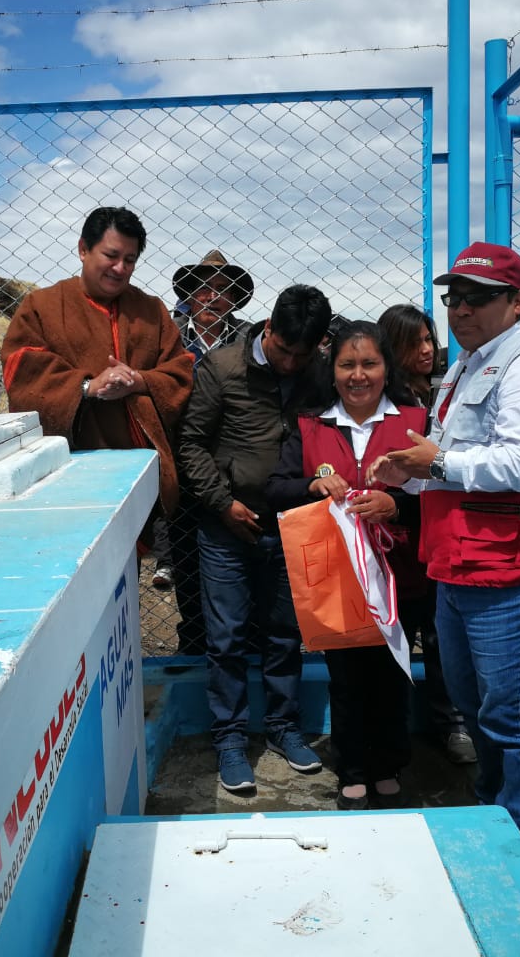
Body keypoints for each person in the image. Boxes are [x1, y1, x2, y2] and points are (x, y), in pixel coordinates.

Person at [368, 242, 520, 878]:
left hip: (509, 572)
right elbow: (453, 459)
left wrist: (438, 463)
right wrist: (408, 472)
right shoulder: (468, 367)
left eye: (479, 298)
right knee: (474, 701)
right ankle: (496, 808)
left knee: (509, 714)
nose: (462, 309)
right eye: (455, 297)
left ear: (517, 302)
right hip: (459, 565)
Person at [178, 284, 333, 792]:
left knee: (285, 635)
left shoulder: (318, 371)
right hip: (227, 529)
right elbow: (193, 445)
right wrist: (223, 504)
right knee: (226, 638)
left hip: (291, 525)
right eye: (284, 350)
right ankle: (229, 738)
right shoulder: (222, 368)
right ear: (268, 329)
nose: (290, 362)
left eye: (301, 354)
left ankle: (284, 729)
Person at [267, 320, 426, 809]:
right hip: (336, 576)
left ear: (387, 367)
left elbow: (442, 497)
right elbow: (275, 486)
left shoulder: (417, 421)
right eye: (347, 365)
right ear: (331, 370)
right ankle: (353, 766)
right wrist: (312, 485)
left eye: (370, 364)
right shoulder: (310, 424)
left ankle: (390, 761)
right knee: (347, 675)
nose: (359, 375)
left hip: (400, 577)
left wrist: (395, 507)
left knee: (394, 671)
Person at [1, 207, 194, 520]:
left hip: (138, 469)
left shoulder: (151, 310)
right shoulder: (42, 305)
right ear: (83, 249)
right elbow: (22, 367)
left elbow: (180, 370)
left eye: (129, 260)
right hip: (65, 468)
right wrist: (87, 387)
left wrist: (139, 381)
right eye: (111, 255)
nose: (120, 268)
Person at [377, 303, 475, 765]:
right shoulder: (387, 405)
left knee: (441, 639)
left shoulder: (441, 394)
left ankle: (452, 722)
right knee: (395, 635)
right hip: (398, 534)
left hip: (436, 532)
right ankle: (396, 731)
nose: (426, 350)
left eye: (428, 339)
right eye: (413, 341)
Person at [154, 250, 256, 648]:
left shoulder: (249, 340)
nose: (212, 297)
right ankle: (193, 634)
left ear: (234, 300)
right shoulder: (168, 340)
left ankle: (240, 639)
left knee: (236, 561)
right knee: (186, 558)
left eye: (223, 290)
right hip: (179, 467)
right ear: (189, 296)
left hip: (233, 471)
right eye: (203, 289)